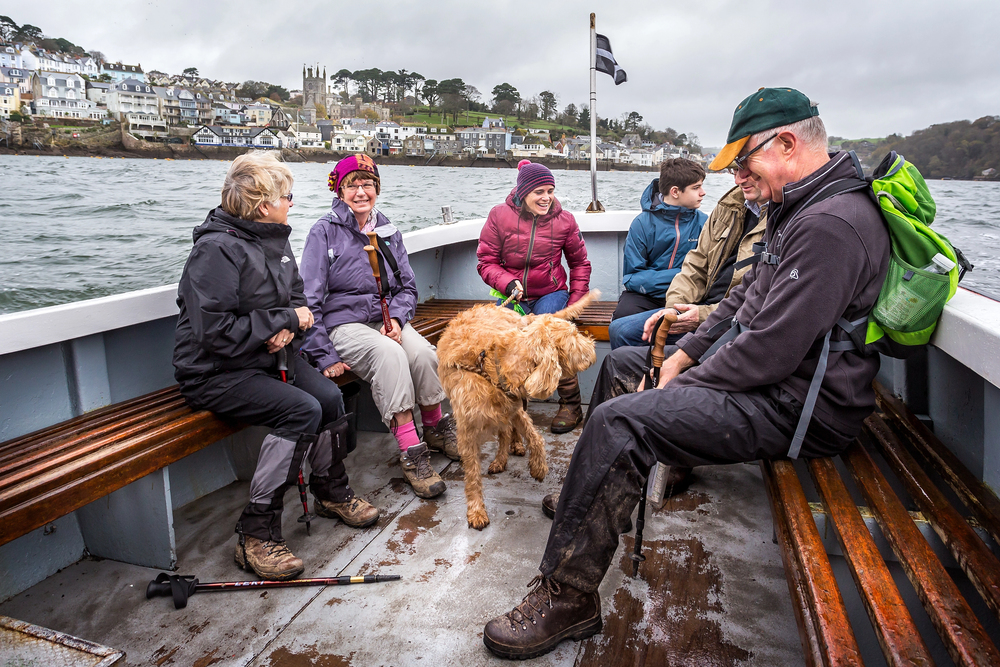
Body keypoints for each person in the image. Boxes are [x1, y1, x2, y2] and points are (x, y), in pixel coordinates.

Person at [482, 87, 891, 659]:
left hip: (802, 408)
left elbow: (769, 351)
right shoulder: (796, 210)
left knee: (623, 424)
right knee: (626, 364)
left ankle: (568, 598)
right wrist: (682, 355)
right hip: (776, 385)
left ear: (788, 144)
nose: (739, 179)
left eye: (744, 163)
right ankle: (591, 498)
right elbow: (741, 305)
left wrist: (680, 384)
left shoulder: (830, 225)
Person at [173, 151, 371, 582]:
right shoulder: (215, 251)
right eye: (287, 196)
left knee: (329, 397)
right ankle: (256, 533)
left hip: (267, 357)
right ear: (263, 204)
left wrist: (291, 330)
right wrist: (282, 322)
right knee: (301, 411)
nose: (292, 203)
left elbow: (300, 302)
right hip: (215, 373)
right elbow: (215, 332)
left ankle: (331, 492)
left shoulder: (274, 241)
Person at [540, 173, 768, 517]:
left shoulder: (785, 216)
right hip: (686, 305)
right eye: (736, 167)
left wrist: (699, 314)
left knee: (634, 344)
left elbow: (753, 299)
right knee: (624, 338)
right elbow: (692, 267)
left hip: (728, 323)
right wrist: (674, 309)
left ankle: (663, 447)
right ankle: (612, 447)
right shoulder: (730, 205)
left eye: (747, 166)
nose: (737, 177)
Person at [300, 154, 456, 502]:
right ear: (338, 190)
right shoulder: (322, 232)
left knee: (424, 355)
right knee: (390, 356)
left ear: (377, 189)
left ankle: (434, 426)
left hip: (387, 319)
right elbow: (308, 301)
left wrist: (398, 321)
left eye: (367, 184)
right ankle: (411, 452)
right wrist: (323, 354)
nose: (360, 191)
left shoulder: (386, 229)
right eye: (351, 185)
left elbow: (408, 288)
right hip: (343, 324)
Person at [477, 160, 592, 434]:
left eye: (550, 191)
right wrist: (507, 283)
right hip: (513, 295)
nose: (546, 198)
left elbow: (580, 264)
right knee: (502, 341)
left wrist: (574, 302)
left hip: (551, 292)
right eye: (539, 191)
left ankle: (571, 405)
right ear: (523, 192)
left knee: (550, 333)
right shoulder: (499, 216)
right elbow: (486, 261)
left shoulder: (565, 221)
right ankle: (513, 408)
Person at [608, 158, 708, 348]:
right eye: (696, 187)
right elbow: (632, 277)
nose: (703, 193)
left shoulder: (705, 224)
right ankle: (630, 374)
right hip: (645, 297)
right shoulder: (643, 223)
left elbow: (707, 274)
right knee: (622, 322)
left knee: (698, 327)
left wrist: (679, 284)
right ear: (675, 192)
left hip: (689, 296)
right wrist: (680, 275)